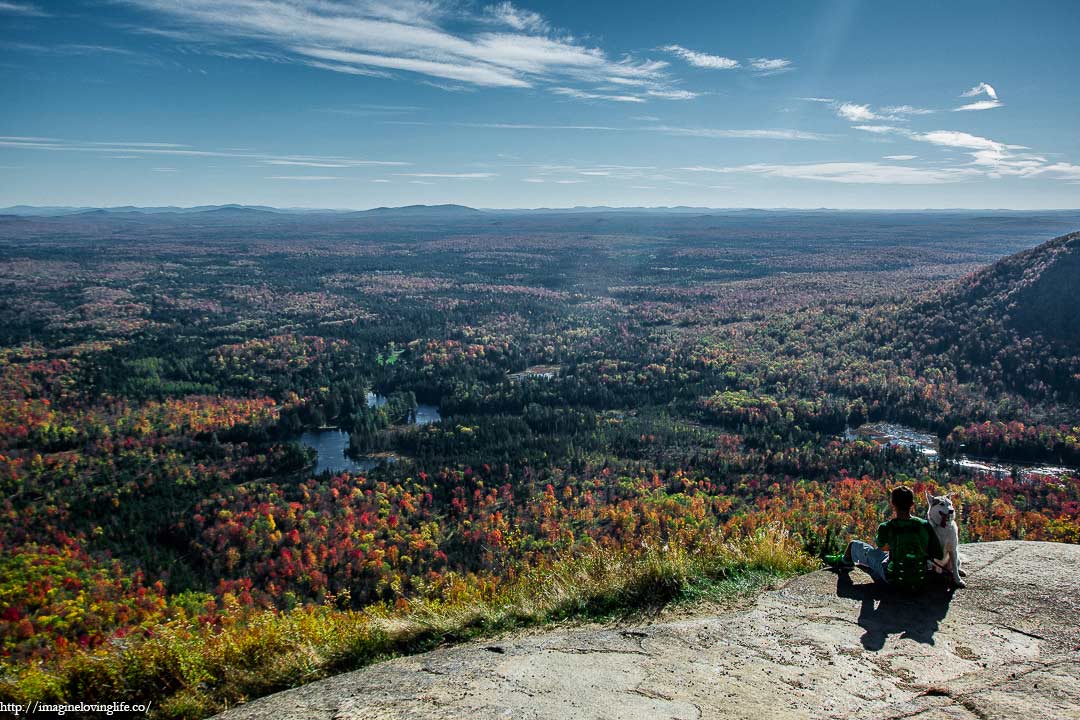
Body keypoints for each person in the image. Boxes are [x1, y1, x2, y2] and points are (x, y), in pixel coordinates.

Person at [826, 486, 945, 589]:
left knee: (856, 546)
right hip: (920, 578)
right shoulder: (925, 525)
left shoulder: (886, 527)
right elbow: (938, 554)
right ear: (912, 504)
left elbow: (882, 548)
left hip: (893, 578)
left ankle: (845, 561)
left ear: (892, 503)